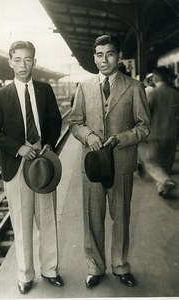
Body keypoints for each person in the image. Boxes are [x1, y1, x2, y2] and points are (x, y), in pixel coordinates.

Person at [69, 35, 150, 288]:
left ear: (119, 56)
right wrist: (88, 135)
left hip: (122, 164)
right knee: (93, 218)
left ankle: (121, 266)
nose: (104, 60)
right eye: (99, 54)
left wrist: (121, 138)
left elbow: (144, 126)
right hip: (93, 165)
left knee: (121, 218)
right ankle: (95, 268)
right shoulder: (84, 87)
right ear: (94, 57)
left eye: (110, 54)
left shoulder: (134, 87)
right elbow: (75, 123)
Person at [0, 41, 63, 294]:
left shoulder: (45, 90)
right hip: (16, 165)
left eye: (27, 59)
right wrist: (19, 147)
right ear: (10, 62)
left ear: (34, 62)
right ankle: (25, 275)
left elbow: (55, 120)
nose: (23, 65)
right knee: (21, 223)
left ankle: (50, 270)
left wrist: (49, 145)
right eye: (17, 60)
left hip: (42, 162)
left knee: (47, 220)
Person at [138, 66, 179, 197]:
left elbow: (146, 114)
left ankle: (165, 180)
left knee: (151, 162)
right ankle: (163, 189)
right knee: (166, 164)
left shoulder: (153, 93)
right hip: (172, 136)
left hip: (156, 135)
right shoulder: (176, 93)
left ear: (155, 78)